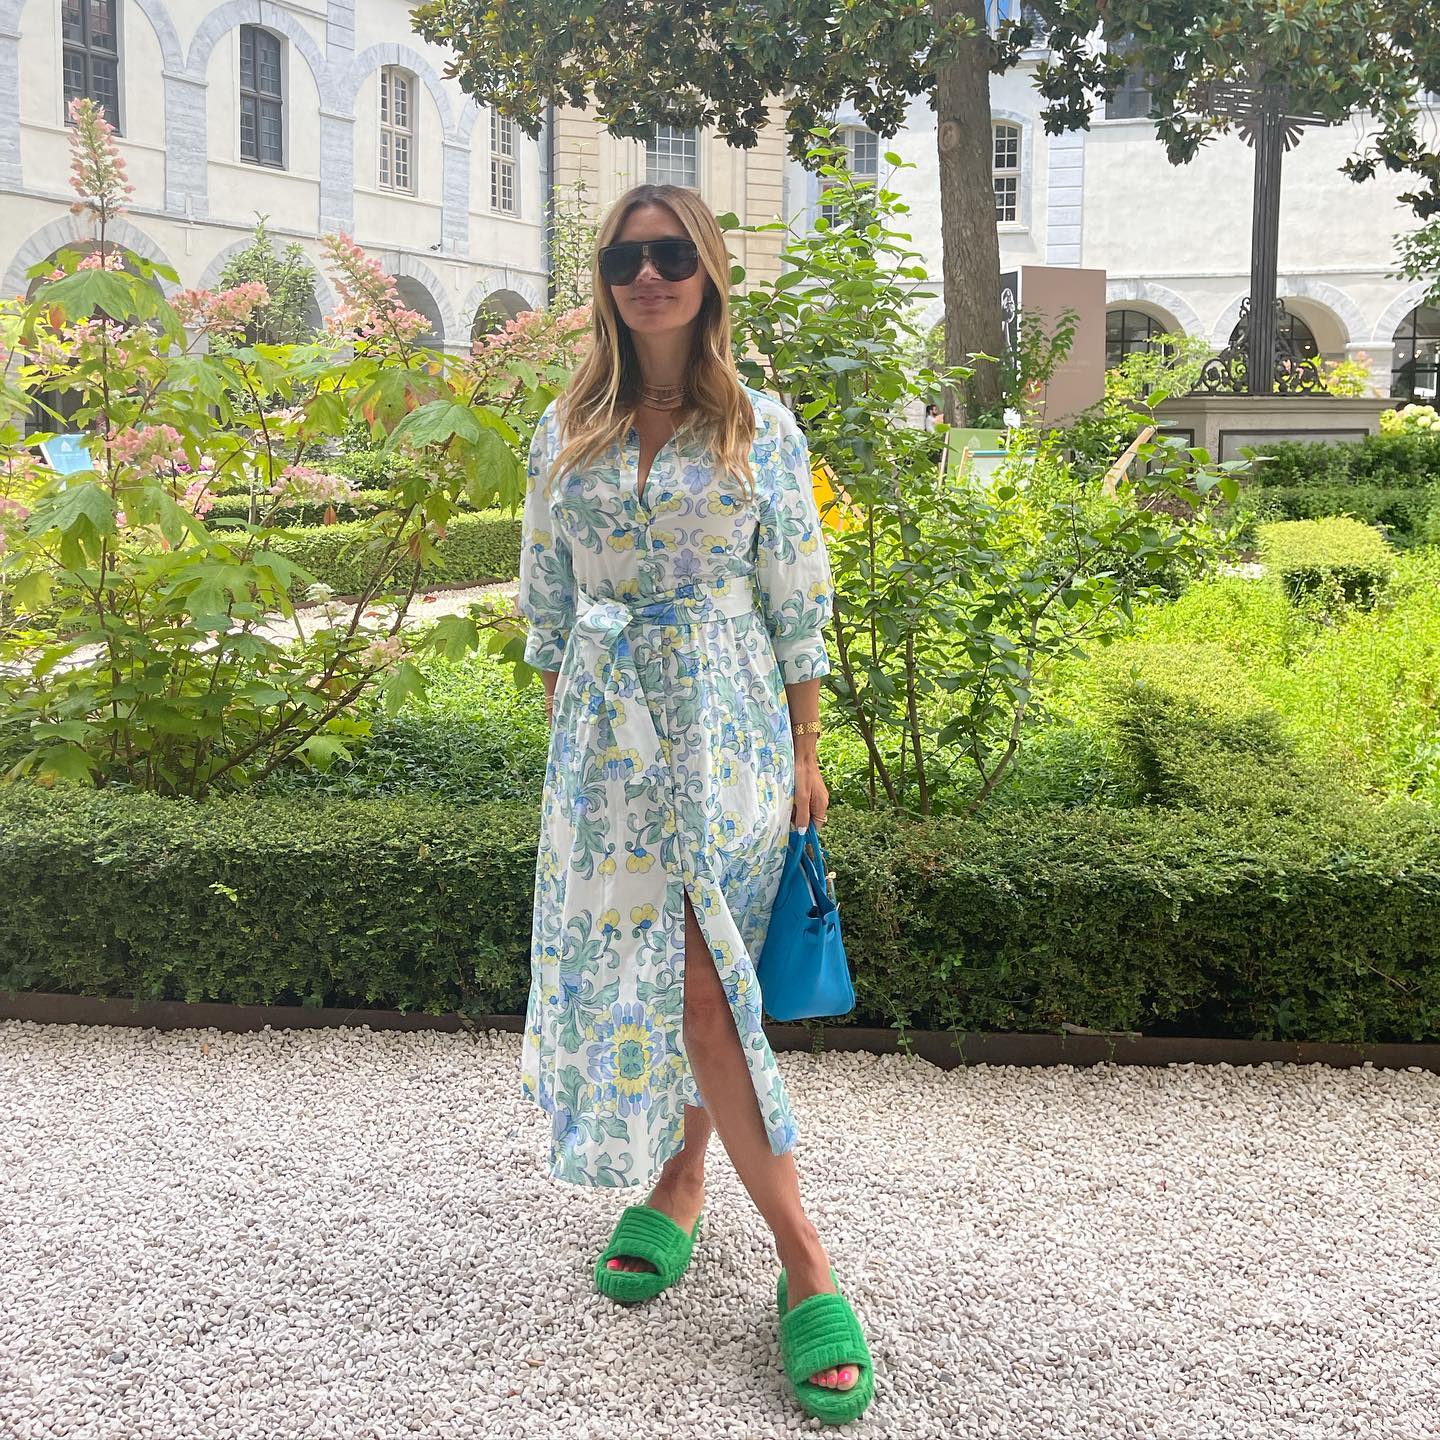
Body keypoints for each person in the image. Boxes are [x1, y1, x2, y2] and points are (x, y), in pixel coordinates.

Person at [516, 183, 874, 1426]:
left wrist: (808, 747)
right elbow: (546, 599)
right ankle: (679, 1178)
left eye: (672, 254)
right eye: (627, 258)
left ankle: (804, 1257)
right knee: (665, 974)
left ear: (710, 270)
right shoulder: (568, 425)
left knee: (703, 979)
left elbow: (798, 598)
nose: (649, 276)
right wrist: (572, 739)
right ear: (605, 279)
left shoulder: (759, 426)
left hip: (726, 725)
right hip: (604, 742)